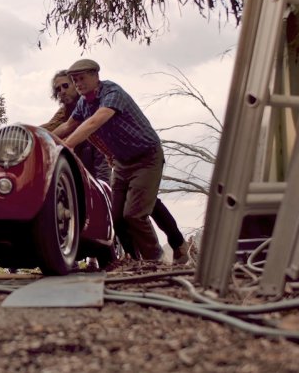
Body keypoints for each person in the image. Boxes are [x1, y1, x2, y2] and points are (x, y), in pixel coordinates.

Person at [43, 69, 190, 263]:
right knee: (119, 214)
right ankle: (133, 256)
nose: (62, 90)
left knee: (145, 205)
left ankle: (174, 244)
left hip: (124, 156)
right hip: (104, 159)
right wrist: (28, 134)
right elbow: (51, 129)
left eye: (66, 85)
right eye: (58, 88)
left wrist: (100, 175)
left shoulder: (103, 99)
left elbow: (95, 125)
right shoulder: (67, 113)